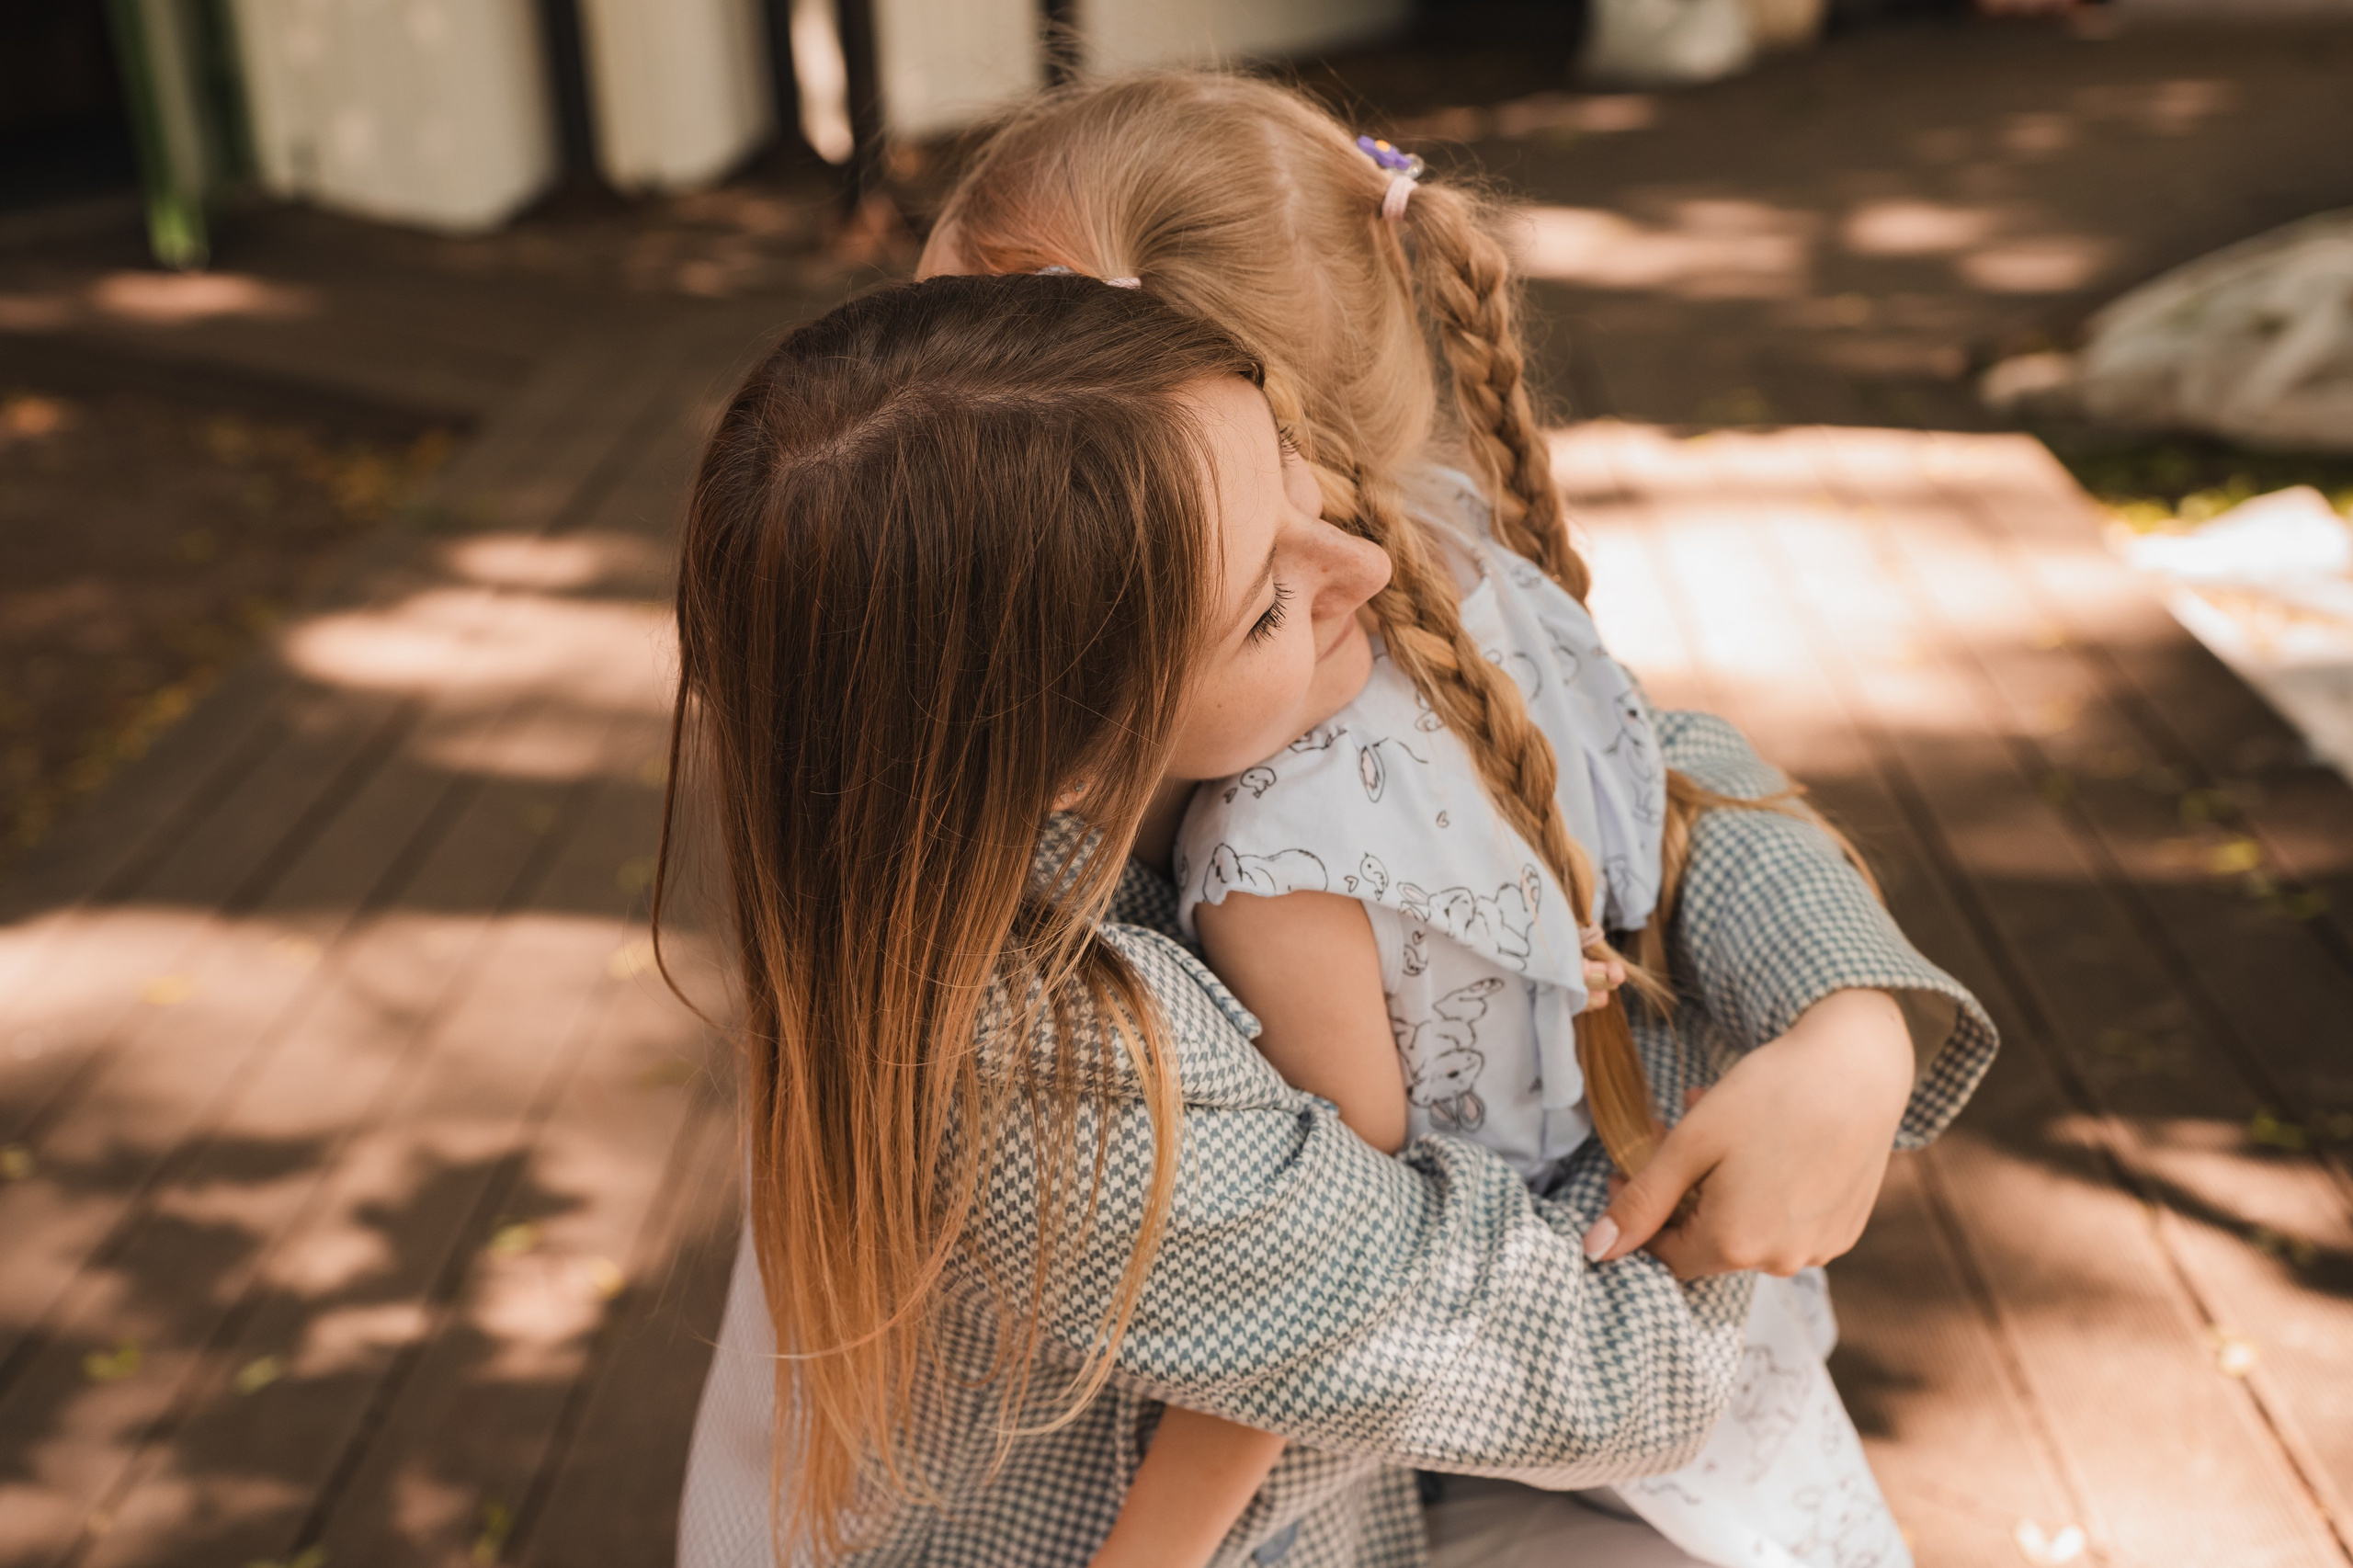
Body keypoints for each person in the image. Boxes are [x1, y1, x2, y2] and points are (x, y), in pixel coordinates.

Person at [671, 271, 1990, 1568]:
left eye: (1296, 466)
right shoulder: (1044, 1068)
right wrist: (1703, 1059)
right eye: (1263, 606)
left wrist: (1848, 1031)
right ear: (1059, 756)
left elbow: (1648, 760)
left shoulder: (1155, 682)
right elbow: (1593, 1369)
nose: (1363, 560)